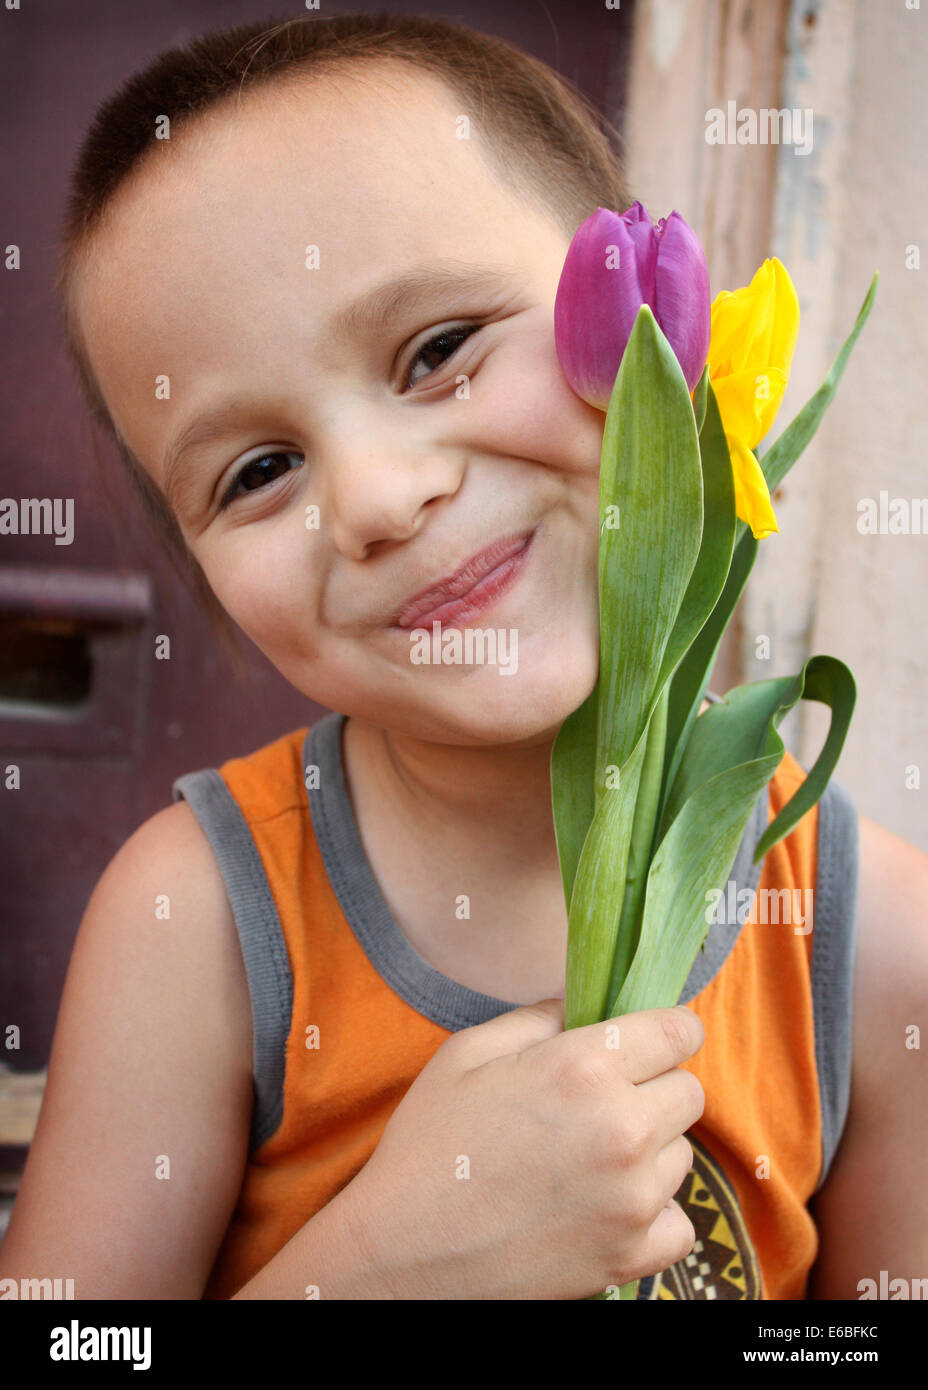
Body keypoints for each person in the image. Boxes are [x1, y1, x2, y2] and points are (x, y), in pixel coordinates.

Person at [1, 13, 925, 1301]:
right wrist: (380, 1270)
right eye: (259, 472)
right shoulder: (195, 928)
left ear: (659, 309)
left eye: (440, 351)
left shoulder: (863, 937)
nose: (376, 497)